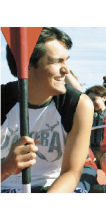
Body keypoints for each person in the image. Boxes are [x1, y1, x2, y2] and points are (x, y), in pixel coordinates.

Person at [1, 27, 94, 193]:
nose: (66, 70)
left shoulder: (78, 105)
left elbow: (71, 173)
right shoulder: (3, 100)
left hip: (52, 190)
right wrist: (6, 168)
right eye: (56, 62)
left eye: (66, 61)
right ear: (26, 66)